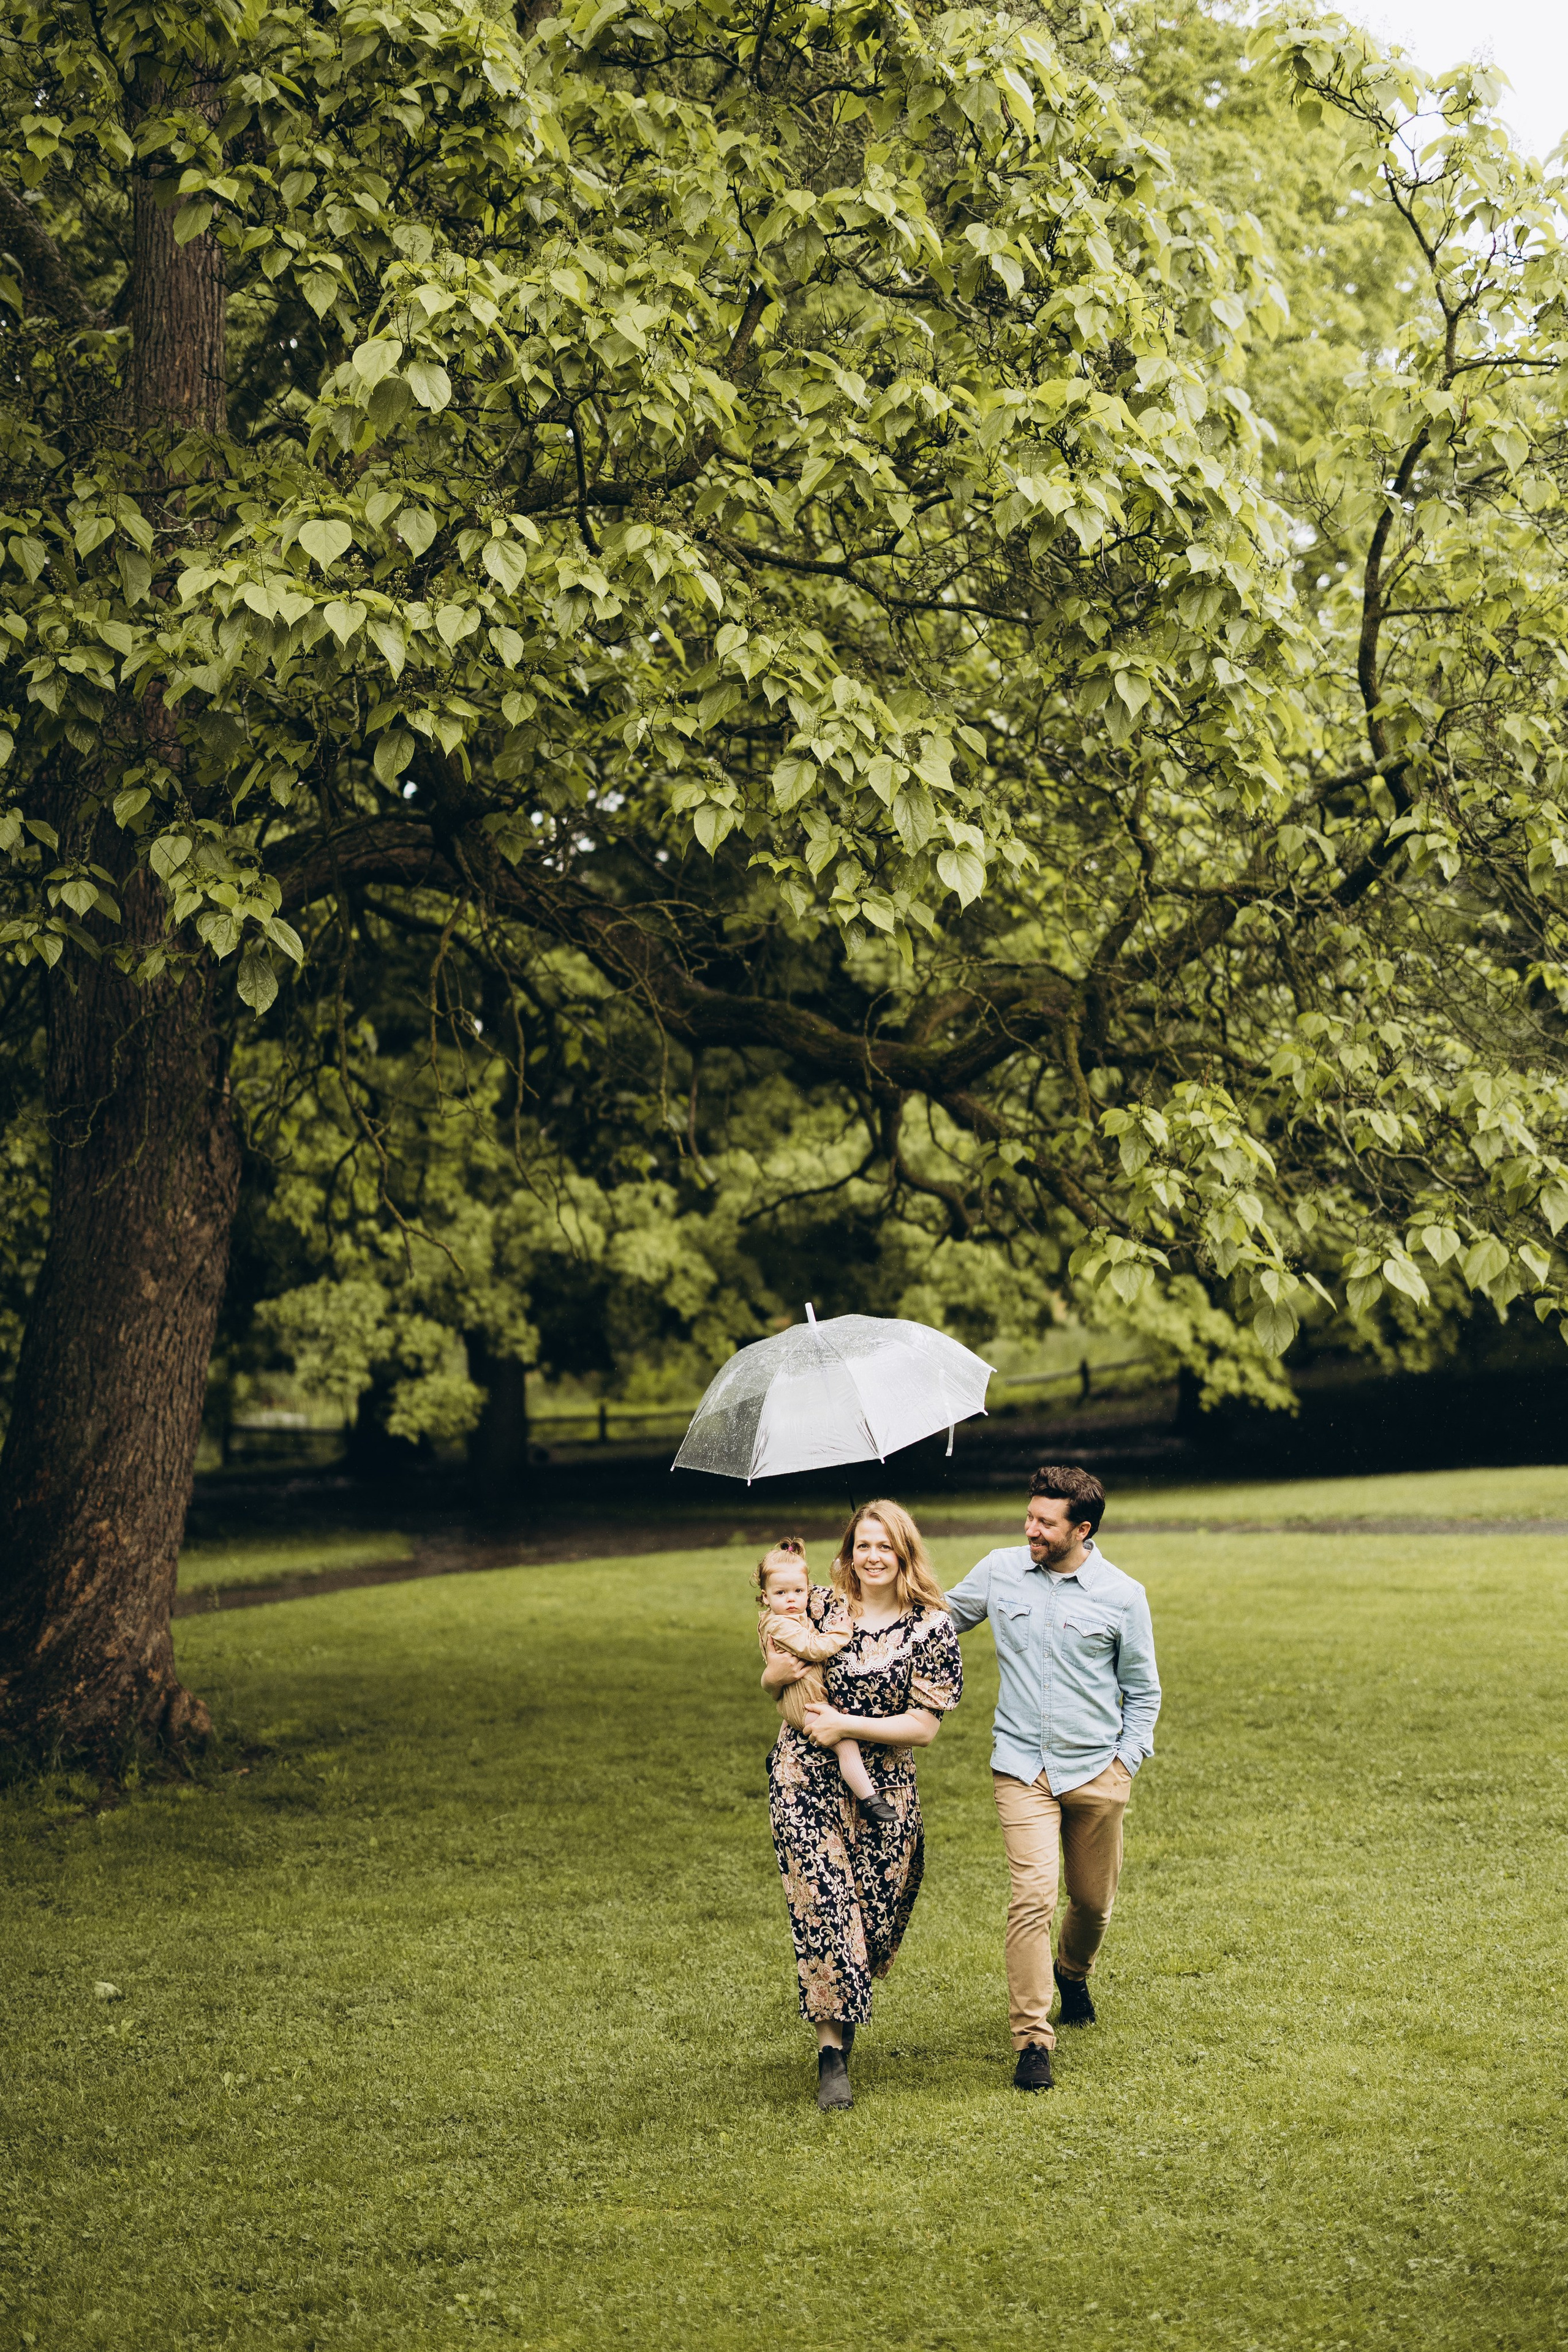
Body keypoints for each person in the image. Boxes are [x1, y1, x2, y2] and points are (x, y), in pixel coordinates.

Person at [944, 1464, 1161, 2094]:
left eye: (1045, 1522)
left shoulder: (1122, 1595)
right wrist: (868, 1605)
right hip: (1021, 1768)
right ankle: (1033, 2040)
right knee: (1033, 1897)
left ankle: (1073, 1972)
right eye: (1029, 1516)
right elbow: (937, 1622)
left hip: (1097, 1771)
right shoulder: (999, 1569)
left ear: (1081, 1529)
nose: (1030, 1529)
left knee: (1091, 1905)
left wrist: (1125, 1763)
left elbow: (1143, 1694)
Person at [761, 1500, 962, 2111]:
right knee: (824, 1910)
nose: (872, 1557)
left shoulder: (930, 1626)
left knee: (870, 1923)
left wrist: (843, 1723)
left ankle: (842, 2016)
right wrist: (774, 1678)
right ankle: (831, 2056)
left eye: (885, 1546)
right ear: (848, 1553)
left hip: (885, 1790)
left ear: (905, 1552)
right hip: (805, 1782)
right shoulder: (819, 1606)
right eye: (862, 1546)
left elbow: (924, 1727)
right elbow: (774, 1663)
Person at [753, 1539, 897, 1828]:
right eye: (781, 1593)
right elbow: (812, 1649)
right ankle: (870, 1799)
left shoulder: (793, 1614)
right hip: (804, 1698)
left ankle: (776, 1751)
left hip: (802, 1692)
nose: (792, 1599)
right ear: (766, 1597)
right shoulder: (779, 1624)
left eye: (799, 1591)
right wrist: (842, 1632)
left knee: (806, 1716)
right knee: (844, 1741)